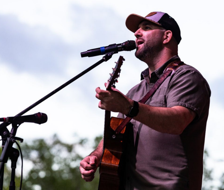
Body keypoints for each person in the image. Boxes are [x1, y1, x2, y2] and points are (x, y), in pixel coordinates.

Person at [79, 11, 211, 190]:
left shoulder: (187, 77)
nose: (136, 33)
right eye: (136, 30)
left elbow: (176, 122)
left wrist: (128, 107)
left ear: (167, 36)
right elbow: (116, 133)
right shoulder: (135, 91)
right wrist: (95, 156)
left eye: (146, 28)